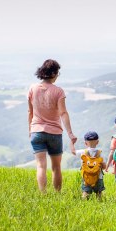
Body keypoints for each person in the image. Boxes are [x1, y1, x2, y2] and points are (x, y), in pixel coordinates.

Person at [28, 59, 77, 192]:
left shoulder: (32, 88)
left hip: (36, 131)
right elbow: (63, 113)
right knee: (56, 167)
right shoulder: (58, 91)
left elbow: (30, 112)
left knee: (40, 166)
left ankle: (43, 194)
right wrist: (70, 133)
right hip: (54, 133)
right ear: (54, 73)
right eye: (58, 73)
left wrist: (30, 130)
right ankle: (57, 194)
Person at [70, 131, 106, 200]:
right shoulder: (100, 153)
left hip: (86, 178)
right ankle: (100, 204)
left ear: (85, 143)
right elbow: (104, 166)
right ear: (97, 142)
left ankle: (84, 204)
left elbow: (73, 151)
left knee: (85, 192)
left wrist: (72, 142)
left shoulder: (83, 152)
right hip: (99, 177)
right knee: (99, 193)